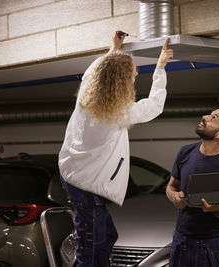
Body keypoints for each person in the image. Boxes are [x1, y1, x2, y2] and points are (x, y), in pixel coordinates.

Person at [59, 31, 173, 267]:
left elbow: (96, 70)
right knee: (90, 251)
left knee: (107, 237)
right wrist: (160, 68)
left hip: (73, 174)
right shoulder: (117, 113)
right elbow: (153, 106)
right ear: (120, 81)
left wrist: (114, 49)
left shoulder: (87, 93)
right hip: (86, 186)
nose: (136, 75)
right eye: (133, 73)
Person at [166, 106, 219, 267]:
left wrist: (218, 210)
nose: (205, 116)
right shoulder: (185, 153)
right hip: (181, 243)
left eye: (213, 118)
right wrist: (174, 197)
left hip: (212, 247)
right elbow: (171, 187)